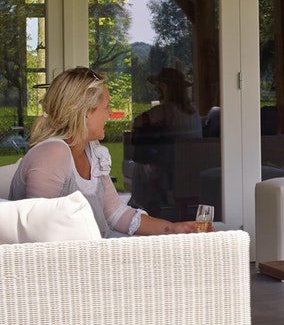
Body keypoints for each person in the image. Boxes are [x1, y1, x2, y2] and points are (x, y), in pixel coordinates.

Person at [10, 67, 205, 237]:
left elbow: (116, 213)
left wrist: (172, 229)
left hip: (95, 257)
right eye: (106, 106)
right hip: (69, 269)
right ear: (86, 112)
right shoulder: (52, 153)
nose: (110, 113)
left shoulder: (92, 151)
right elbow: (39, 233)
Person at [127, 67, 202, 215]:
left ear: (166, 88)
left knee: (140, 166)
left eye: (159, 86)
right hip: (193, 169)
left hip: (173, 170)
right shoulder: (194, 112)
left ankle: (143, 207)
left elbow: (137, 122)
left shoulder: (167, 110)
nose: (156, 89)